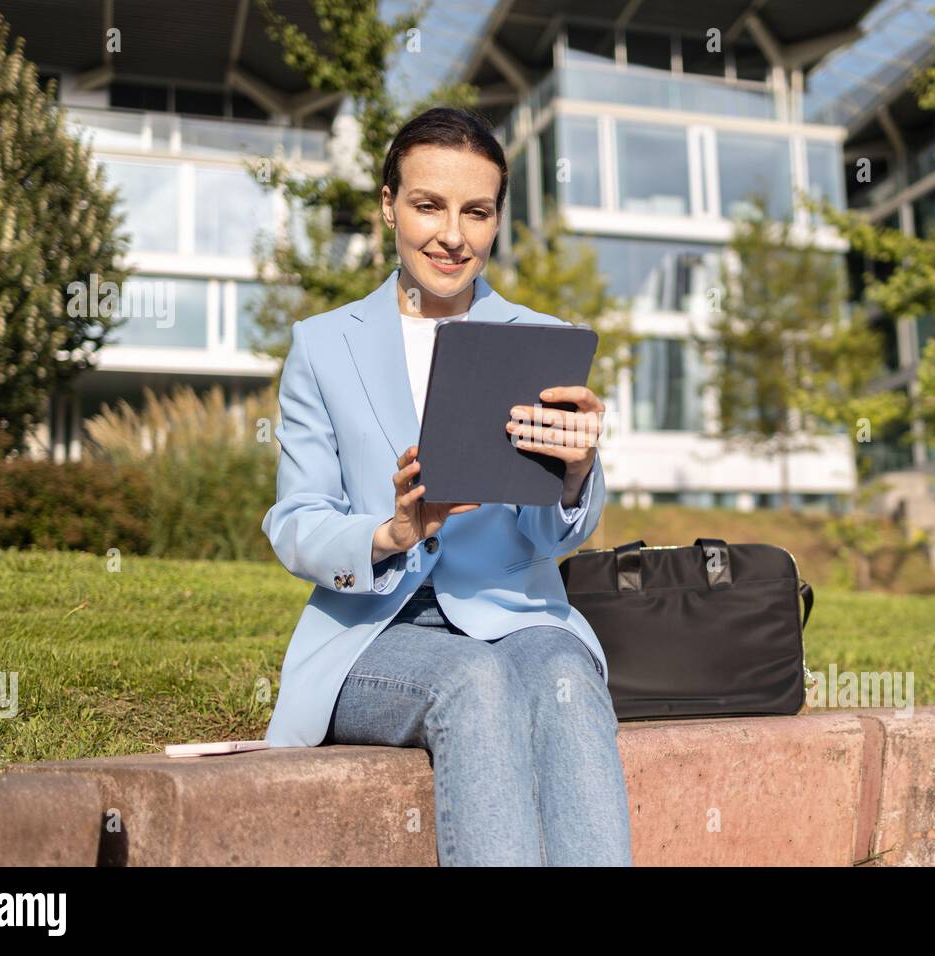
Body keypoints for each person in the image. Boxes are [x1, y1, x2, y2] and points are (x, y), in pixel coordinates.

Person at [261, 106, 632, 866]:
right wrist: (392, 533)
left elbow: (552, 535)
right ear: (388, 206)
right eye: (428, 205)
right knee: (473, 679)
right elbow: (296, 519)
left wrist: (576, 472)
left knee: (566, 675)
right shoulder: (323, 346)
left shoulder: (539, 340)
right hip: (374, 632)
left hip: (517, 619)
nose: (453, 236)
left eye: (477, 211)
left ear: (498, 219)